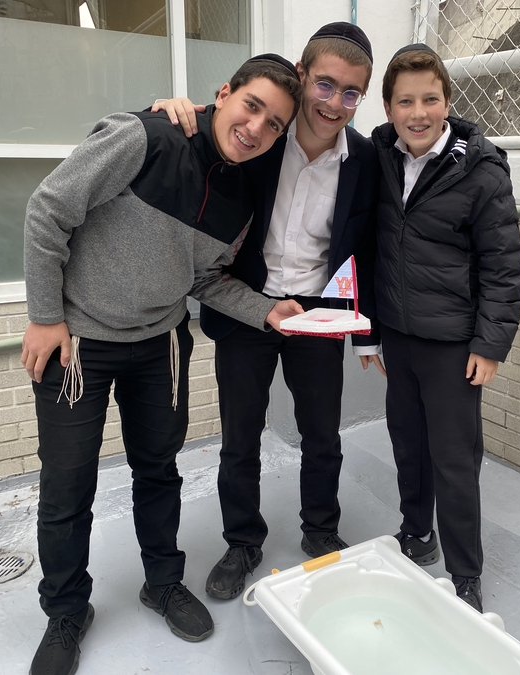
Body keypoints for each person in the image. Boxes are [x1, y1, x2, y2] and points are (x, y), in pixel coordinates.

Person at [22, 54, 303, 675]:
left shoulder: (242, 196)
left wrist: (268, 312)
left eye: (275, 124)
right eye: (252, 106)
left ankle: (162, 583)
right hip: (79, 344)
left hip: (161, 346)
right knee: (67, 486)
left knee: (159, 471)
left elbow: (206, 279)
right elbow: (49, 209)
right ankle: (66, 610)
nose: (256, 128)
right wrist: (45, 316)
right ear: (223, 94)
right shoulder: (145, 137)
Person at [152, 22, 384, 601]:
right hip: (246, 304)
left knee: (322, 433)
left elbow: (369, 242)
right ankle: (242, 542)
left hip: (318, 312)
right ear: (302, 76)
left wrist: (366, 330)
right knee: (240, 437)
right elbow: (212, 130)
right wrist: (173, 111)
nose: (334, 103)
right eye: (324, 84)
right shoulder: (260, 139)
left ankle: (320, 530)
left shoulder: (365, 159)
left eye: (351, 93)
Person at [371, 44, 520, 613]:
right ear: (388, 108)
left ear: (448, 101)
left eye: (430, 99)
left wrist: (490, 344)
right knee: (407, 444)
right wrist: (370, 331)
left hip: (454, 346)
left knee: (455, 460)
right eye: (405, 101)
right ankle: (417, 533)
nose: (418, 113)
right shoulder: (378, 156)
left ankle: (465, 574)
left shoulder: (480, 170)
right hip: (398, 336)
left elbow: (503, 266)